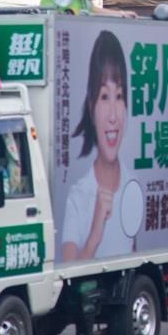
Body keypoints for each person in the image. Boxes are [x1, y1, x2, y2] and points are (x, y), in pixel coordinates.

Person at [61, 31, 132, 261]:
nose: (113, 115)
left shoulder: (133, 187)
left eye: (119, 96)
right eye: (104, 96)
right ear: (91, 107)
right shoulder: (78, 196)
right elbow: (66, 276)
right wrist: (95, 235)